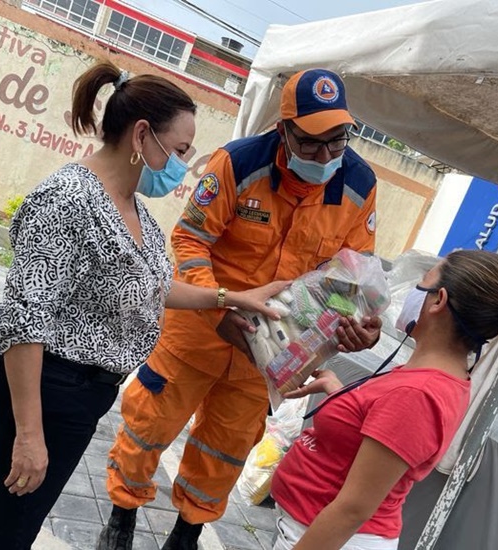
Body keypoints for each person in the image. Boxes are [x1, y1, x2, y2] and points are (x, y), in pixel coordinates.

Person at [0, 61, 287, 550]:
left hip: (80, 395)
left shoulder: (132, 207)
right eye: (178, 150)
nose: (182, 164)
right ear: (141, 135)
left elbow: (153, 287)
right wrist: (29, 435)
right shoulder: (69, 199)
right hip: (39, 390)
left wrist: (229, 296)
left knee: (5, 526)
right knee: (8, 535)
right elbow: (23, 321)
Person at [100, 68, 382, 550]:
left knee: (226, 447)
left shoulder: (357, 184)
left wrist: (353, 327)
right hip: (200, 327)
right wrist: (218, 308)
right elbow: (191, 239)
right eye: (312, 143)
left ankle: (187, 532)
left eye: (338, 140)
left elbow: (349, 277)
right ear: (284, 129)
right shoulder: (238, 163)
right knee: (150, 422)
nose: (326, 155)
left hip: (270, 352)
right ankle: (122, 513)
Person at [269, 250, 498, 550]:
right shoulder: (430, 377)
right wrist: (342, 394)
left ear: (439, 300)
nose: (413, 291)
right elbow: (379, 428)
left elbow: (353, 509)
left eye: (422, 282)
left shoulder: (418, 394)